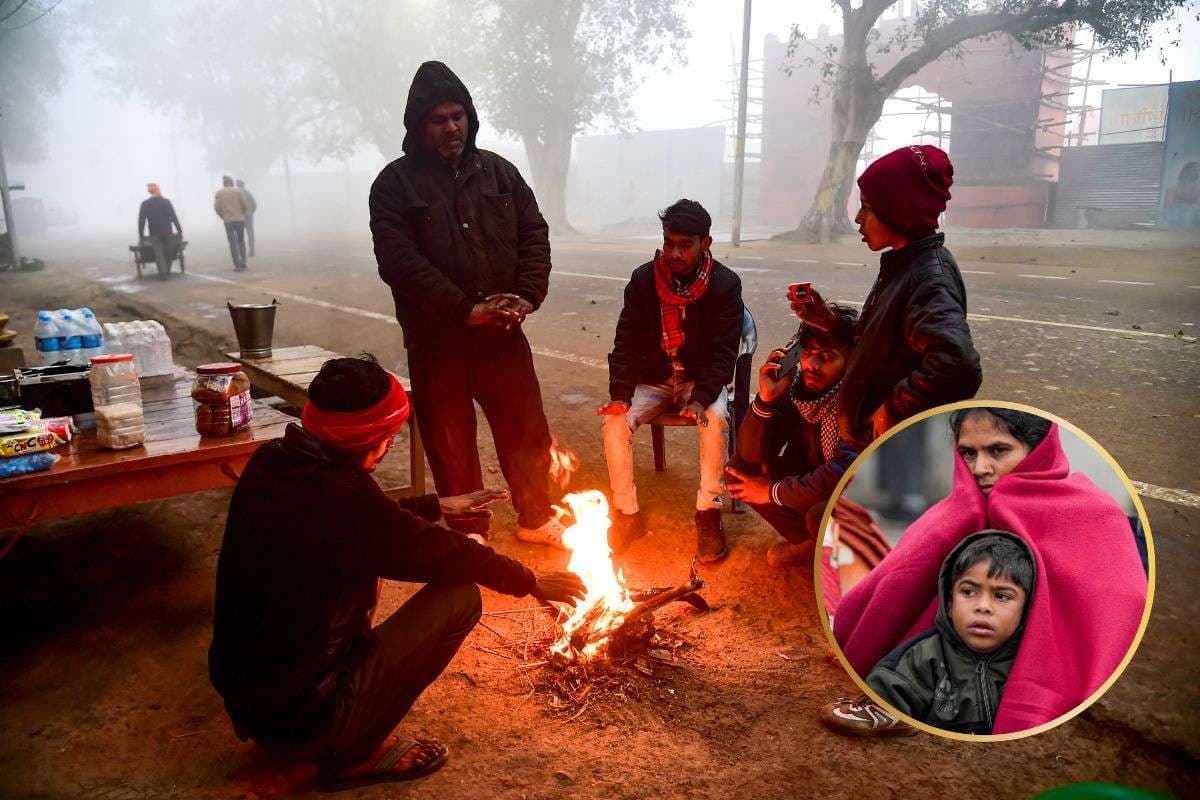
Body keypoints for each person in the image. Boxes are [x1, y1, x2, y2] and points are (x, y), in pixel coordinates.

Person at [208, 355, 586, 790]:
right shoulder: (346, 498)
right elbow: (446, 553)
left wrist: (439, 507)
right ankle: (351, 755)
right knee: (460, 596)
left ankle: (311, 737)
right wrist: (531, 580)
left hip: (253, 704)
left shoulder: (273, 460)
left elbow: (368, 521)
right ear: (378, 438)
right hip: (305, 718)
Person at [822, 407, 1147, 736]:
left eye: (998, 451)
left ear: (1038, 451)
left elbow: (1118, 603)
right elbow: (892, 588)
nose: (980, 469)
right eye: (968, 453)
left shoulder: (1091, 513)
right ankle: (900, 697)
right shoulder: (950, 515)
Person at [370, 61, 563, 547]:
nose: (452, 126)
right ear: (419, 126)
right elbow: (399, 262)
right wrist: (464, 309)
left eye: (458, 115)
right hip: (440, 345)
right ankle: (469, 534)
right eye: (439, 119)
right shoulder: (395, 185)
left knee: (526, 434)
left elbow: (533, 234)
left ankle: (536, 520)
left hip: (503, 338)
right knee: (452, 447)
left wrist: (527, 295)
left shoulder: (499, 172)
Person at [792, 145, 982, 450]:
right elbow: (886, 348)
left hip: (896, 450)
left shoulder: (928, 279)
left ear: (899, 210)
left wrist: (894, 408)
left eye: (867, 207)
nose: (857, 218)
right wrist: (831, 323)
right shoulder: (903, 265)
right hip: (875, 446)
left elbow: (956, 363)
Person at [598, 199, 743, 561]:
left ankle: (708, 514)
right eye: (669, 242)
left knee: (715, 420)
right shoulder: (644, 279)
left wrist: (702, 397)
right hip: (655, 381)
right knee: (614, 424)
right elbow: (626, 342)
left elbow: (725, 354)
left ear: (705, 243)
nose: (674, 253)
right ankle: (626, 513)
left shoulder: (725, 284)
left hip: (699, 381)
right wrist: (620, 396)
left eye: (685, 245)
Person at [724, 304, 859, 568]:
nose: (813, 365)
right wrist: (766, 400)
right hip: (813, 482)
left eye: (827, 356)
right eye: (807, 353)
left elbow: (842, 474)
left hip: (851, 498)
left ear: (851, 360)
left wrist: (773, 492)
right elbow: (750, 453)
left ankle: (824, 555)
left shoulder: (856, 403)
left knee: (818, 514)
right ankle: (808, 545)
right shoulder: (799, 390)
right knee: (738, 472)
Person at [866, 531, 1034, 735]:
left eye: (1002, 596)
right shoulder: (916, 662)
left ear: (1026, 609)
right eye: (968, 592)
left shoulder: (1034, 666)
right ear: (949, 602)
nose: (983, 606)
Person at [137, 182, 182, 279]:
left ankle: (163, 273)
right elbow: (174, 217)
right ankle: (167, 271)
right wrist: (179, 230)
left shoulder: (145, 204)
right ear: (158, 190)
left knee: (158, 253)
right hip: (167, 231)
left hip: (154, 233)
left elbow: (141, 221)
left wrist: (141, 236)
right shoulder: (166, 202)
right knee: (168, 252)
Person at [214, 175, 249, 271]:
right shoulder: (238, 191)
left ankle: (237, 264)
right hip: (239, 220)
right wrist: (241, 214)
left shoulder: (219, 193)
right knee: (241, 241)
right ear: (232, 183)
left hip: (228, 221)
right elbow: (244, 205)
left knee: (232, 243)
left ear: (224, 184)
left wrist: (222, 215)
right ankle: (243, 262)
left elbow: (217, 207)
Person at [236, 178, 258, 257]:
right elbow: (254, 204)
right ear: (243, 185)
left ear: (237, 184)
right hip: (249, 215)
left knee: (239, 234)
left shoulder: (235, 193)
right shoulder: (248, 193)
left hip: (239, 216)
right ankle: (252, 251)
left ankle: (240, 251)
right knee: (250, 233)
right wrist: (251, 212)